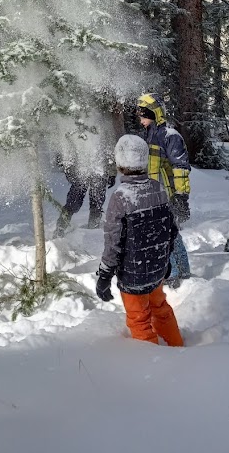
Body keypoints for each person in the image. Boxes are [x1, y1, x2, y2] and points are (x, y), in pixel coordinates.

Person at [95, 134, 184, 346]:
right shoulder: (158, 188)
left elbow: (113, 241)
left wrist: (105, 274)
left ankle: (152, 365)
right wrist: (167, 259)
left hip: (133, 274)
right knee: (161, 309)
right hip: (157, 269)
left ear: (120, 163)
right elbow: (170, 230)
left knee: (139, 319)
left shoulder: (121, 197)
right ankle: (178, 348)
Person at [136, 92, 192, 286]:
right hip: (154, 195)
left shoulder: (170, 136)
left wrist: (181, 195)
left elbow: (180, 168)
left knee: (163, 237)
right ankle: (183, 271)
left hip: (167, 196)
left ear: (153, 114)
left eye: (143, 114)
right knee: (171, 234)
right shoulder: (150, 134)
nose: (141, 119)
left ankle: (170, 276)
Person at [53, 105, 124, 237]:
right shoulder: (73, 121)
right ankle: (60, 228)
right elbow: (66, 147)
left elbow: (109, 146)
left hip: (99, 169)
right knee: (73, 202)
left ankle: (94, 231)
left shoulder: (101, 119)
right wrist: (68, 168)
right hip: (80, 170)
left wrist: (112, 171)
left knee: (97, 202)